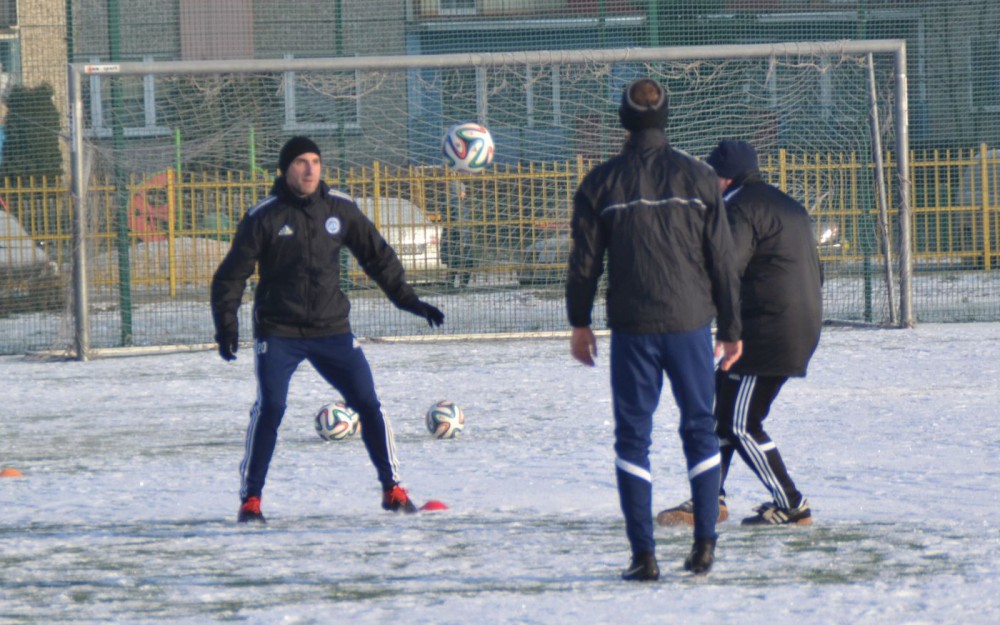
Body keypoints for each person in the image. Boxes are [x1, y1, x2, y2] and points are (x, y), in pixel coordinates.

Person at [211, 136, 445, 523]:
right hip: (279, 331)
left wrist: (409, 300)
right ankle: (251, 500)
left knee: (369, 403)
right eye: (301, 162)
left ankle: (393, 489)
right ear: (285, 169)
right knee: (271, 407)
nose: (309, 169)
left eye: (315, 162)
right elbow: (231, 276)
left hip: (332, 329)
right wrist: (226, 325)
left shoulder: (340, 208)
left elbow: (378, 257)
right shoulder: (264, 216)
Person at [566, 78, 743, 580]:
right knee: (700, 429)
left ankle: (643, 557)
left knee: (633, 438)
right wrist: (731, 328)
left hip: (634, 330)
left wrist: (579, 323)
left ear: (623, 120)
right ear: (665, 118)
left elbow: (584, 264)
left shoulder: (600, 182)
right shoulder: (700, 177)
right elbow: (723, 261)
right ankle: (704, 546)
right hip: (690, 324)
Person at [657, 139, 821, 527]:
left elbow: (725, 269)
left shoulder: (739, 208)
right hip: (793, 322)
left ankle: (792, 504)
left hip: (768, 328)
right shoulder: (787, 204)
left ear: (724, 178)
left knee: (740, 423)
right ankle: (708, 498)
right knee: (723, 413)